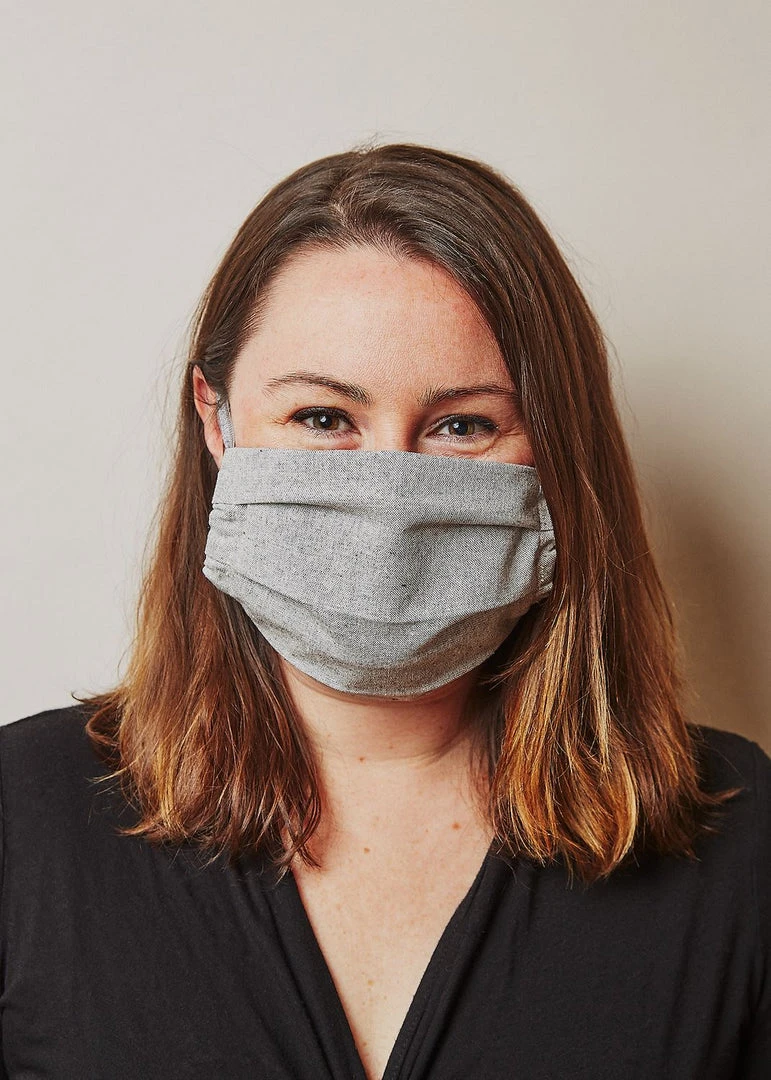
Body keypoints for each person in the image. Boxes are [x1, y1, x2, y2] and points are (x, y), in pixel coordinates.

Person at [0, 141, 768, 1080]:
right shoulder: (22, 817)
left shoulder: (740, 835)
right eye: (323, 418)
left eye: (463, 425)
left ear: (557, 448)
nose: (388, 499)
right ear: (216, 421)